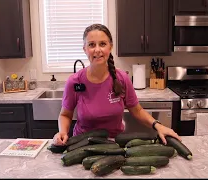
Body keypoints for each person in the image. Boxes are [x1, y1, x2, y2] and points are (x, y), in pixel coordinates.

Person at [53, 23, 181, 146]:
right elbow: (65, 114)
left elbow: (137, 111)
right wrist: (62, 132)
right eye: (92, 45)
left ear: (110, 47)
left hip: (115, 146)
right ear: (85, 49)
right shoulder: (74, 81)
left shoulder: (122, 78)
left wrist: (158, 125)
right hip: (82, 145)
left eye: (102, 44)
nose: (97, 50)